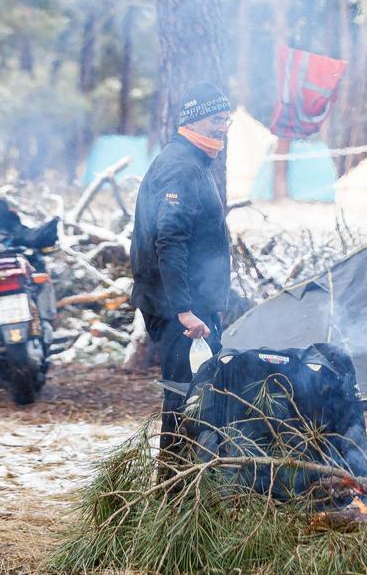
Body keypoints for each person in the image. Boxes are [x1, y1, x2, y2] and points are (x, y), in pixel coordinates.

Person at [131, 82, 234, 465]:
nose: (223, 127)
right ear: (194, 119)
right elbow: (169, 241)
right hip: (178, 308)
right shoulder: (179, 166)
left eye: (227, 120)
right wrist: (186, 310)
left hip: (189, 301)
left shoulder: (195, 160)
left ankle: (191, 485)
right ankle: (175, 493)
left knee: (198, 393)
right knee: (185, 396)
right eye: (216, 119)